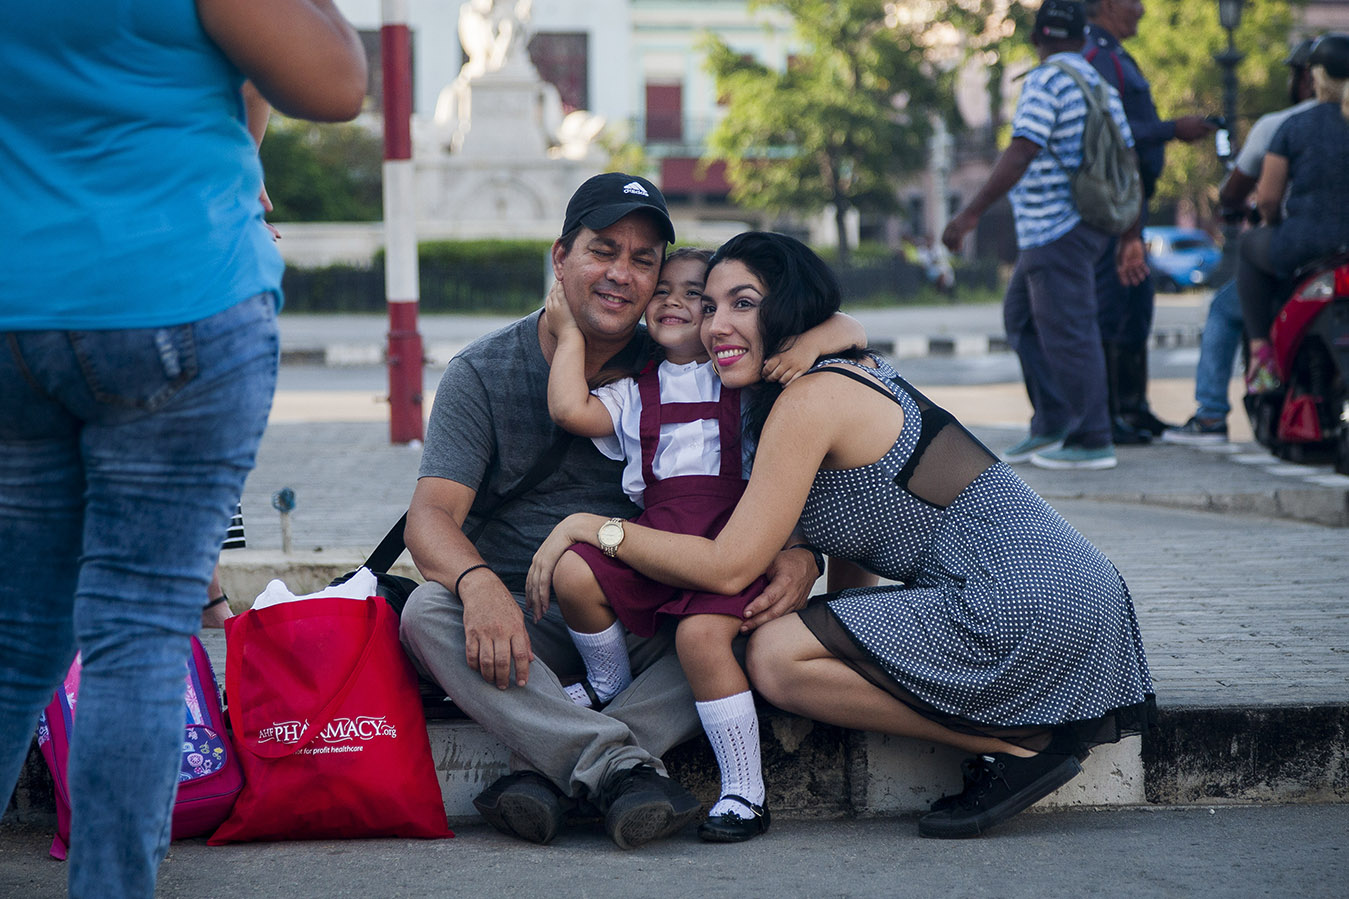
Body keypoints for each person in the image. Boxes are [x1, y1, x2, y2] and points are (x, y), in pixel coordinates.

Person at [527, 231, 1156, 840]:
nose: (717, 324)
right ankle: (1024, 739)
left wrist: (593, 529)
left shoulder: (812, 398)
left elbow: (726, 567)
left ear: (789, 309)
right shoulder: (822, 372)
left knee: (773, 656)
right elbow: (860, 539)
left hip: (1028, 598)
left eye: (743, 304)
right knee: (789, 643)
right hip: (1068, 591)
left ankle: (1020, 744)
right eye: (711, 306)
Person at [0, 3, 366, 897]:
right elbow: (331, 81)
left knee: (16, 637)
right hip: (173, 292)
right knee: (140, 629)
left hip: (14, 309)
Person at [397, 174, 823, 851]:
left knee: (735, 624)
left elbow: (766, 447)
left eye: (643, 260)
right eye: (603, 250)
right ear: (560, 257)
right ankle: (618, 767)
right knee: (424, 612)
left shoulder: (686, 352)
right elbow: (430, 517)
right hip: (524, 617)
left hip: (653, 610)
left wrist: (801, 551)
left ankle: (545, 768)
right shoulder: (485, 371)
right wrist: (477, 586)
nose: (621, 274)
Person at [538, 248, 863, 842]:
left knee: (701, 635)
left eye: (699, 296)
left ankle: (745, 789)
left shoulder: (745, 372)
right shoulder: (635, 391)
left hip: (733, 541)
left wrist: (810, 347)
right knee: (575, 573)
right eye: (663, 291)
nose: (676, 303)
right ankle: (608, 680)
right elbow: (567, 408)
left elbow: (849, 329)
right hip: (658, 543)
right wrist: (565, 334)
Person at [943, 0, 1146, 471]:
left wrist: (970, 214)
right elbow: (1129, 162)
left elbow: (1022, 149)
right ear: (1080, 37)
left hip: (1055, 226)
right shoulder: (1098, 82)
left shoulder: (1046, 80)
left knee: (1067, 330)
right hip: (1084, 224)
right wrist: (1127, 232)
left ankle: (1091, 436)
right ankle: (1054, 420)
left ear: (1038, 40)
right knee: (1024, 320)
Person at [1162, 38, 1319, 445]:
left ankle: (1213, 412)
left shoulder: (1282, 125)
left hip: (1296, 255)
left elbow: (1256, 197)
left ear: (1307, 77)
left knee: (1224, 306)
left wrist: (1258, 213)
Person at [1085, 0, 1217, 444]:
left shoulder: (1116, 54)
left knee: (1136, 306)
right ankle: (1112, 412)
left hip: (1132, 206)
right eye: (1132, 1)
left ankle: (1134, 408)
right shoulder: (1096, 57)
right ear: (1105, 5)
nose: (1141, 8)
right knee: (1115, 308)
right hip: (1114, 207)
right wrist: (1171, 129)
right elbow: (1112, 133)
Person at [1238, 33, 1349, 394]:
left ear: (1316, 77)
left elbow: (1268, 199)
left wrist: (1272, 225)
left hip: (1306, 246)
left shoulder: (1294, 126)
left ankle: (1261, 353)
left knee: (1248, 248)